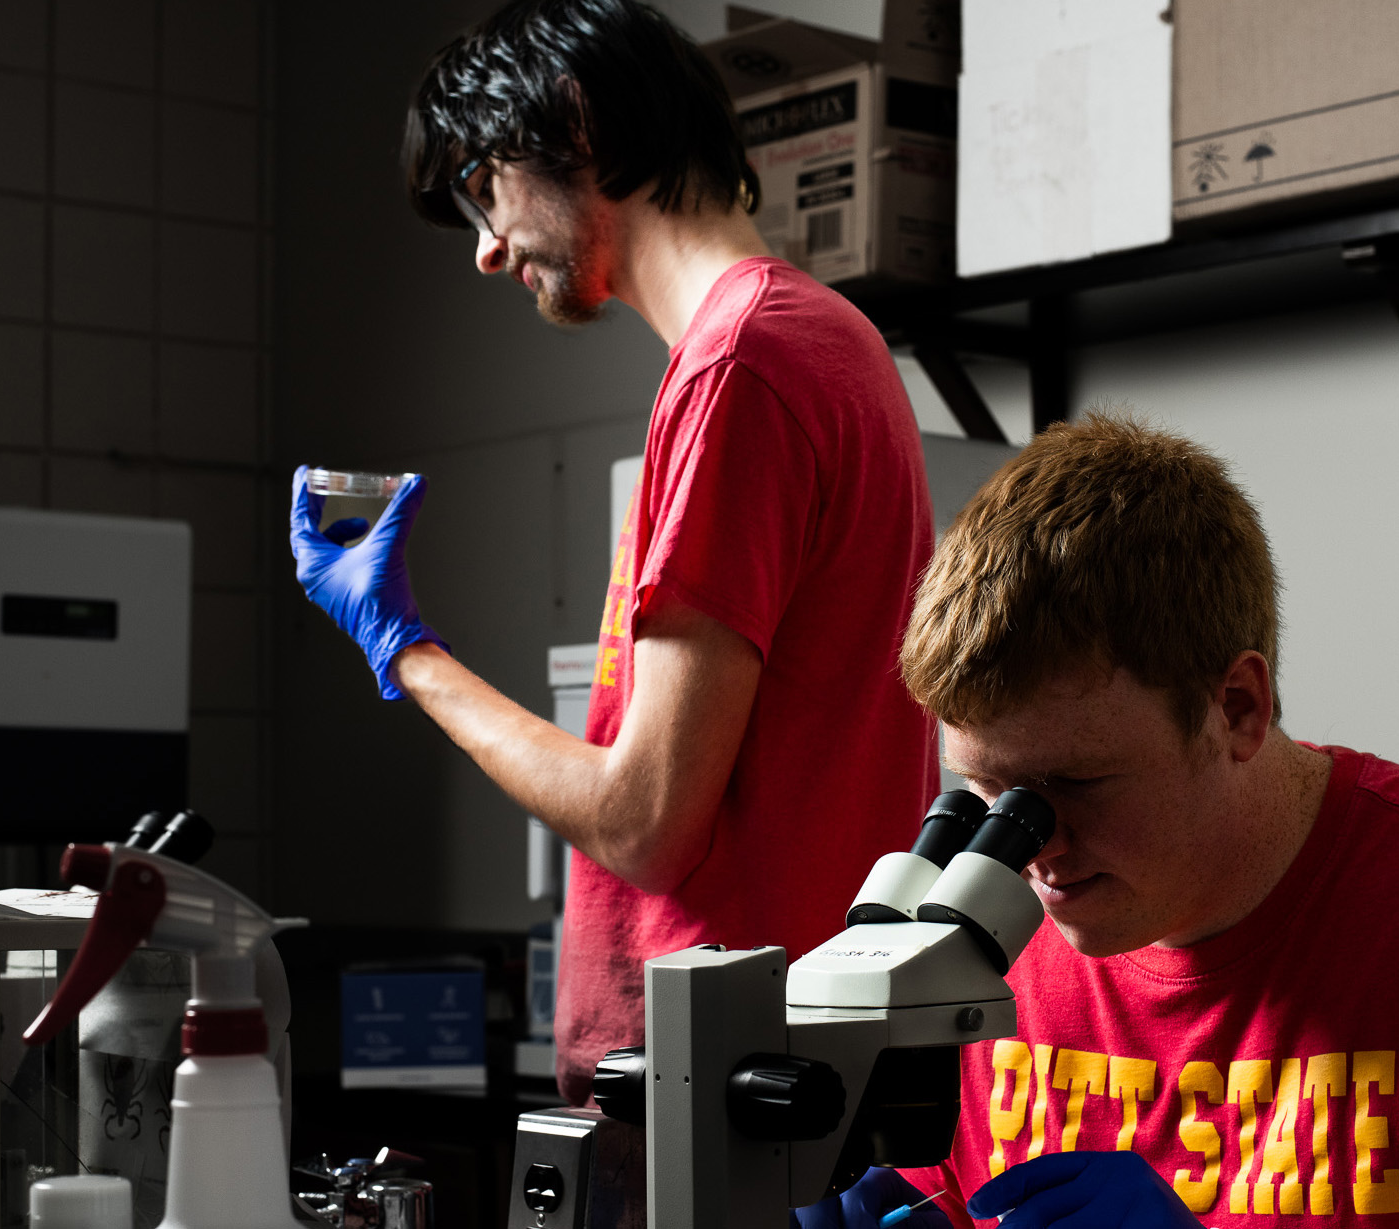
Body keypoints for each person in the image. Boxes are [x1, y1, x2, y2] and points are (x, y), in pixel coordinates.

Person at [802, 414, 1399, 1228]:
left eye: (1069, 786)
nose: (1030, 851)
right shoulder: (979, 954)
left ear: (1239, 707)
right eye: (988, 799)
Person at [287, 0, 938, 1105]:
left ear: (576, 127)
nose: (489, 250)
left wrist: (404, 650)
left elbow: (642, 821)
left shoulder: (741, 365)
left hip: (721, 1088)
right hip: (757, 1069)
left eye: (484, 192)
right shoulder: (815, 339)